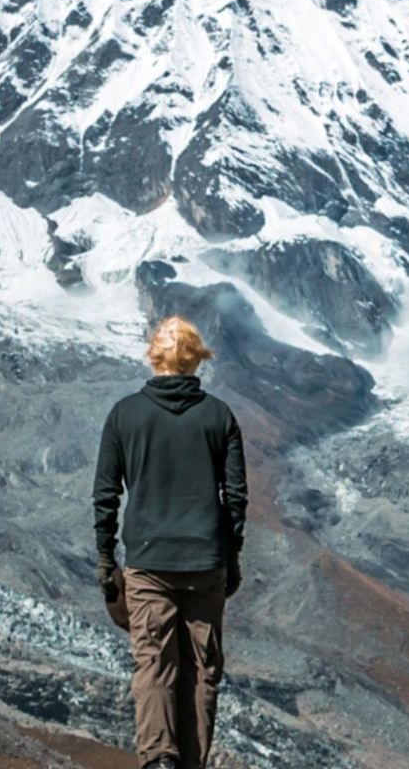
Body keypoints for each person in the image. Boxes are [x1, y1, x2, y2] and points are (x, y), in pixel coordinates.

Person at [92, 314, 249, 769]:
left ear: (154, 356)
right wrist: (230, 556)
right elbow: (235, 497)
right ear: (197, 360)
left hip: (148, 564)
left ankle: (159, 759)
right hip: (206, 564)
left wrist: (106, 559)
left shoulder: (125, 414)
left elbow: (106, 494)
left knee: (154, 665)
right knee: (202, 671)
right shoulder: (220, 416)